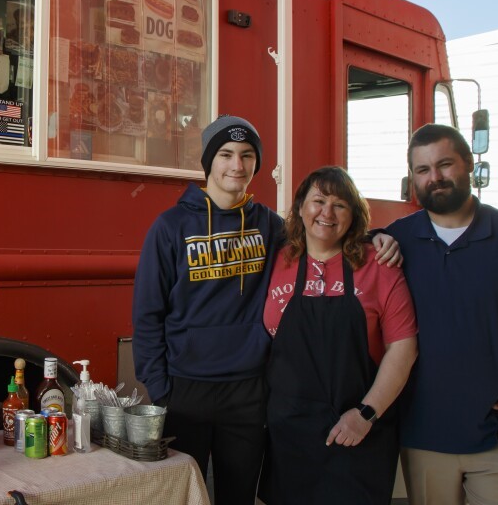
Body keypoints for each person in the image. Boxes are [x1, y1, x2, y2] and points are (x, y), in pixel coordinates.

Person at [132, 115, 401, 504]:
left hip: (249, 391)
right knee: (181, 496)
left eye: (246, 155)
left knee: (238, 497)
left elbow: (325, 234)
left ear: (257, 163)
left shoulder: (270, 227)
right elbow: (147, 315)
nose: (236, 165)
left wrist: (377, 238)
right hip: (184, 388)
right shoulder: (170, 227)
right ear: (208, 161)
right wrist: (160, 389)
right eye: (225, 154)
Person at [387, 124, 498, 505]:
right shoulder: (395, 241)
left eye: (445, 164)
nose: (436, 177)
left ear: (468, 164)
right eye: (423, 170)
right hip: (423, 436)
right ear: (412, 177)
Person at [262, 165, 418, 504]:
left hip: (358, 432)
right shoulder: (276, 259)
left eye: (340, 204)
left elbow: (403, 348)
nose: (327, 213)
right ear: (301, 206)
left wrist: (365, 414)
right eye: (318, 201)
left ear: (353, 215)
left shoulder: (379, 264)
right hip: (289, 433)